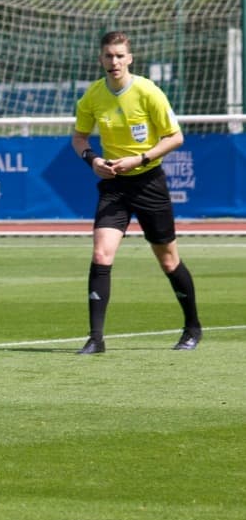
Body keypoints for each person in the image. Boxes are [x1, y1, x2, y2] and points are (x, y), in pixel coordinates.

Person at [71, 30, 202, 354]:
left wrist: (140, 158)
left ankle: (192, 327)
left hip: (148, 182)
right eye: (108, 56)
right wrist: (93, 160)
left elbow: (175, 137)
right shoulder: (93, 96)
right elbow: (79, 138)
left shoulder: (148, 92)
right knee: (101, 254)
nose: (113, 61)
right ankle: (96, 338)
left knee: (168, 260)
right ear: (100, 59)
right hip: (114, 185)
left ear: (129, 58)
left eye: (119, 56)